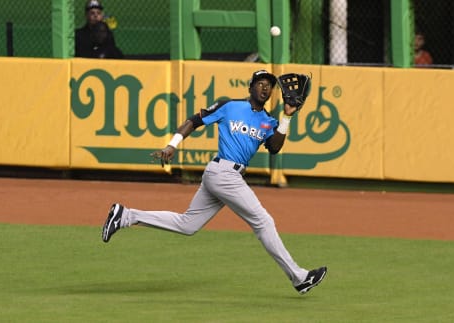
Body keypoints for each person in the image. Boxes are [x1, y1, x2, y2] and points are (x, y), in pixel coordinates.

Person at [101, 70, 327, 295]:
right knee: (263, 221)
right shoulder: (229, 106)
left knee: (187, 224)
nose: (264, 88)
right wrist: (172, 145)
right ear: (250, 87)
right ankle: (299, 277)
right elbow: (194, 120)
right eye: (260, 83)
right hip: (223, 173)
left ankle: (126, 215)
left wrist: (287, 116)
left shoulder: (269, 121)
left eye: (269, 84)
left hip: (226, 176)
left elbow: (275, 148)